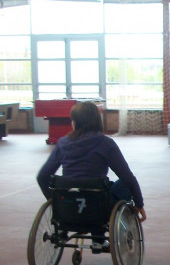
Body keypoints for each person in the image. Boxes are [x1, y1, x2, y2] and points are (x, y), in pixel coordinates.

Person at [37, 101, 146, 248]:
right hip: (99, 208)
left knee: (81, 190)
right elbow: (128, 179)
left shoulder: (63, 143)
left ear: (74, 122)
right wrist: (139, 204)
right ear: (97, 121)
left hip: (68, 205)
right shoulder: (106, 144)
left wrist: (55, 201)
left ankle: (80, 227)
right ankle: (98, 238)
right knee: (124, 184)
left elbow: (42, 177)